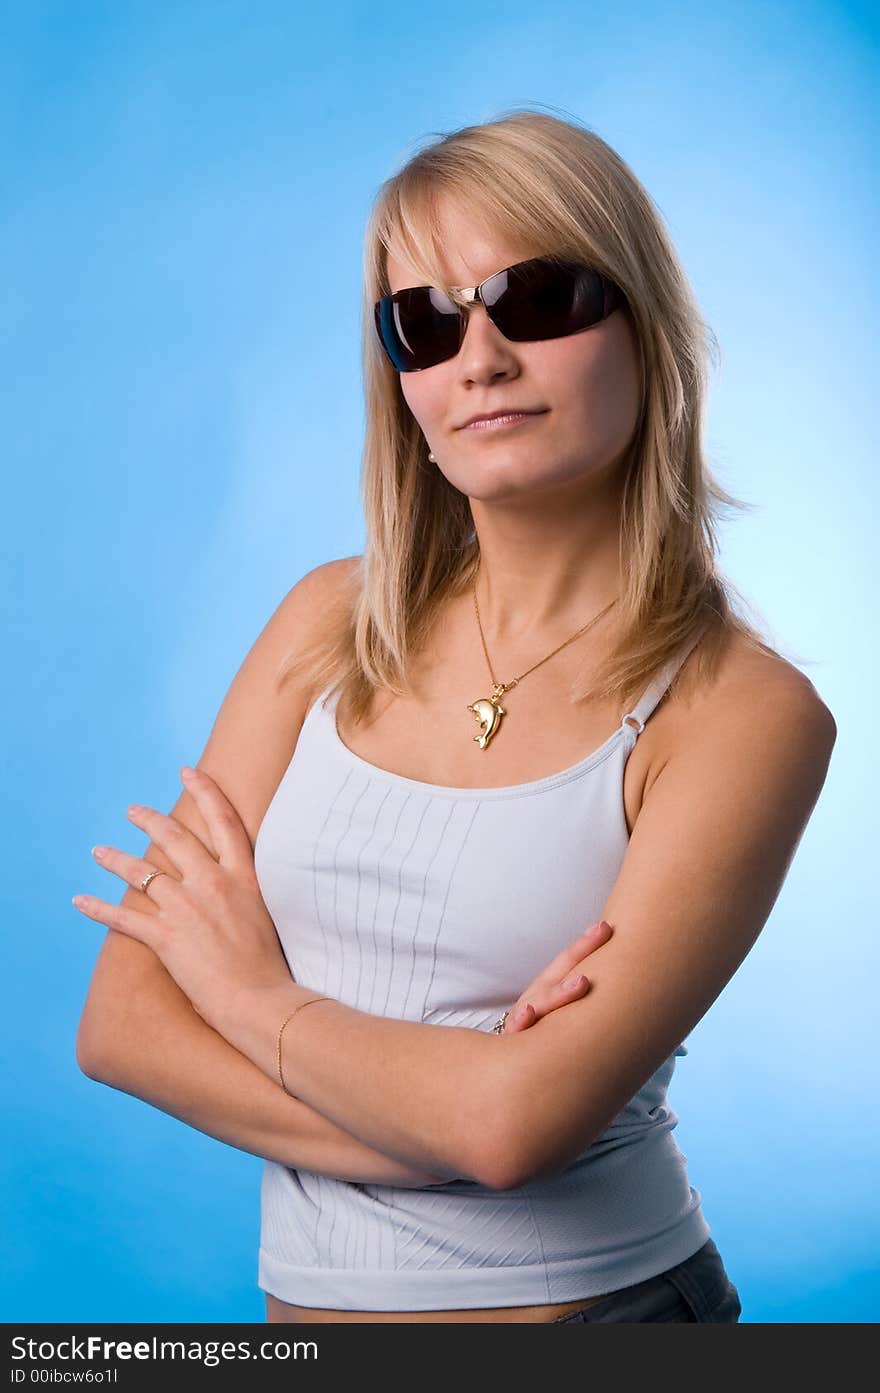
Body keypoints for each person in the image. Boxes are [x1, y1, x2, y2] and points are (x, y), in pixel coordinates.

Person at [75, 109, 836, 1324]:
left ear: (642, 324)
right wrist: (449, 1120)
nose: (476, 358)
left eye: (531, 298)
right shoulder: (324, 621)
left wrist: (249, 995)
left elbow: (514, 1124)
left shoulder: (745, 713)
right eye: (424, 320)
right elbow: (119, 1025)